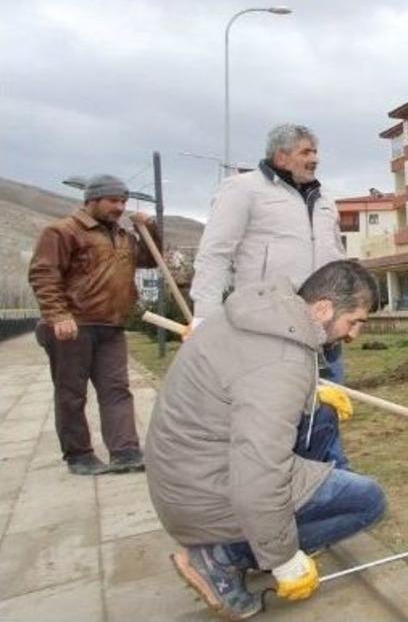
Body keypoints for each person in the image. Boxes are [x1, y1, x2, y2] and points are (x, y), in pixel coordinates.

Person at [145, 260, 385, 619]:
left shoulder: (263, 316)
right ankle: (222, 556)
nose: (353, 336)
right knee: (369, 501)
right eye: (354, 322)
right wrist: (283, 558)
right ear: (322, 308)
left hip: (186, 472)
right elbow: (259, 476)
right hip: (205, 491)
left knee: (320, 418)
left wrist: (313, 395)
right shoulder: (282, 362)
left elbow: (246, 386)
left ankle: (245, 539)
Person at [189, 123, 348, 382]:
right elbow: (215, 254)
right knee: (274, 409)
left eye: (315, 152)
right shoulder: (242, 189)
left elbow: (338, 257)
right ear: (281, 156)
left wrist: (345, 309)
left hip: (323, 325)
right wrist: (204, 315)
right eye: (306, 152)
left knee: (328, 407)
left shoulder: (324, 199)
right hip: (268, 325)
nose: (314, 159)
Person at [28, 174, 161, 475]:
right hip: (73, 325)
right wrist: (58, 315)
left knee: (117, 390)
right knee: (71, 393)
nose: (120, 207)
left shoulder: (123, 236)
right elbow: (43, 275)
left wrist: (150, 228)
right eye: (113, 200)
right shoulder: (62, 232)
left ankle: (125, 451)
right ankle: (79, 455)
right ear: (92, 200)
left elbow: (152, 260)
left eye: (124, 202)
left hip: (111, 325)